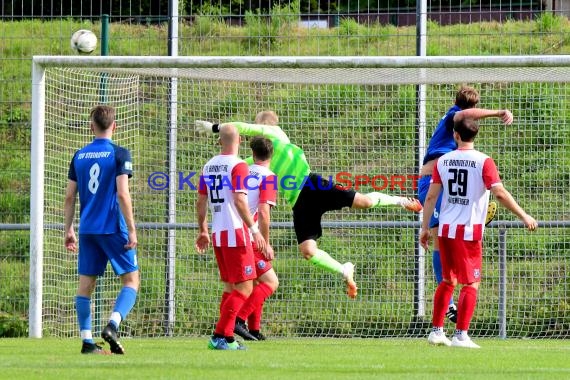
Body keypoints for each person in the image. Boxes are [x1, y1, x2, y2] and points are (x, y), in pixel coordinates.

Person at [195, 111, 422, 299]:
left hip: (314, 186)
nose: (254, 131)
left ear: (265, 126)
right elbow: (234, 167)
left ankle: (401, 200)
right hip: (299, 203)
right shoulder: (255, 160)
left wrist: (215, 127)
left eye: (257, 127)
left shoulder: (276, 134)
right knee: (308, 251)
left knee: (363, 201)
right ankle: (345, 270)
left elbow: (242, 127)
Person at [420, 118, 537, 348]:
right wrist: (524, 215)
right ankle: (461, 335)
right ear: (476, 135)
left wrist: (425, 228)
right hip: (468, 231)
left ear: (455, 135)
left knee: (447, 280)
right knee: (471, 283)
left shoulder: (443, 161)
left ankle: (436, 331)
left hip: (444, 229)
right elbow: (500, 194)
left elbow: (431, 196)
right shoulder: (484, 161)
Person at [418, 85, 513, 323]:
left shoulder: (457, 140)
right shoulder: (454, 115)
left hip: (442, 185)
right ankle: (448, 304)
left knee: (447, 235)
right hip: (430, 183)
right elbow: (463, 116)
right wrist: (498, 112)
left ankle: (448, 302)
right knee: (439, 236)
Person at [64, 105, 139, 355]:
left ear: (91, 126)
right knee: (131, 280)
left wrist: (68, 229)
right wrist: (131, 229)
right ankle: (112, 325)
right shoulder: (119, 154)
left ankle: (87, 341)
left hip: (87, 229)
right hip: (112, 227)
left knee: (85, 284)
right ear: (114, 126)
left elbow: (69, 196)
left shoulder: (79, 155)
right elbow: (122, 193)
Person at [195, 124, 267, 350]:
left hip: (217, 233)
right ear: (241, 142)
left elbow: (200, 201)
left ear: (219, 142)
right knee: (245, 288)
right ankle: (220, 335)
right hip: (236, 232)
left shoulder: (208, 165)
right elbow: (239, 201)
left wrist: (203, 230)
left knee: (229, 288)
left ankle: (226, 338)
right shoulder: (239, 165)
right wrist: (255, 230)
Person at [234, 135, 279, 341]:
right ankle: (239, 319)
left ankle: (253, 329)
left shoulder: (243, 170)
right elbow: (263, 212)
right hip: (249, 236)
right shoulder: (268, 177)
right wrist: (265, 242)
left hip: (233, 232)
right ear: (272, 155)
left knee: (258, 281)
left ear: (252, 154)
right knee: (271, 282)